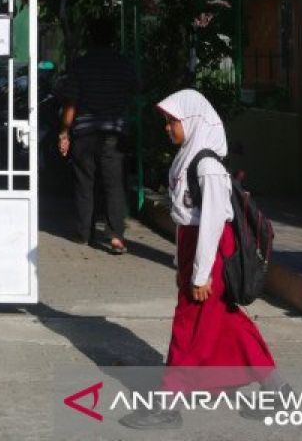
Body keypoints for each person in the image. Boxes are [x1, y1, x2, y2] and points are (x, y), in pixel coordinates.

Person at [120, 88, 280, 430]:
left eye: (172, 121)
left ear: (192, 121)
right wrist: (188, 265)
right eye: (166, 122)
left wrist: (200, 274)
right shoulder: (189, 158)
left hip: (209, 255)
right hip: (198, 251)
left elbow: (210, 224)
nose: (167, 128)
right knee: (230, 323)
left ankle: (167, 403)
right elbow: (188, 220)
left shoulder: (206, 165)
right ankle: (278, 392)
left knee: (188, 326)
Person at [56, 15, 138, 253]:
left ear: (90, 38)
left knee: (85, 182)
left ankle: (83, 233)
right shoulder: (124, 64)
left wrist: (64, 131)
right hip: (113, 131)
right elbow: (136, 88)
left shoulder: (80, 65)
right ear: (113, 38)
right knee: (114, 184)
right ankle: (116, 238)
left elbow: (71, 102)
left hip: (84, 132)